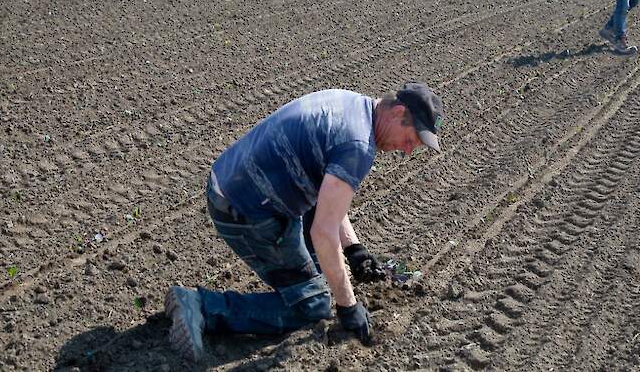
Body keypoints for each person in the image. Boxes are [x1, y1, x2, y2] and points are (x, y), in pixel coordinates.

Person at [164, 81, 444, 362]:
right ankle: (202, 306)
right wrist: (348, 306)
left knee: (327, 271)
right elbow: (323, 232)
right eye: (410, 140)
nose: (407, 151)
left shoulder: (351, 103)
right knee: (314, 304)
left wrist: (354, 250)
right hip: (246, 210)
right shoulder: (358, 145)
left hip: (234, 182)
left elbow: (326, 195)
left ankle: (303, 281)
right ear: (397, 113)